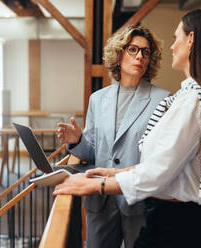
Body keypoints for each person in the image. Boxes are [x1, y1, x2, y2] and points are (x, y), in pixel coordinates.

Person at [54, 8, 201, 248]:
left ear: (192, 39)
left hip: (172, 217)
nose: (173, 46)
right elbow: (169, 163)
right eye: (133, 50)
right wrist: (112, 171)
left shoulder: (188, 100)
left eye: (177, 38)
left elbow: (159, 170)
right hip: (192, 215)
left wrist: (93, 184)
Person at [56, 26, 169, 248]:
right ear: (119, 55)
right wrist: (76, 140)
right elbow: (94, 152)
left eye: (145, 52)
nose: (140, 56)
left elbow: (160, 156)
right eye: (133, 49)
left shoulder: (162, 100)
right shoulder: (98, 99)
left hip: (138, 199)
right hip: (101, 199)